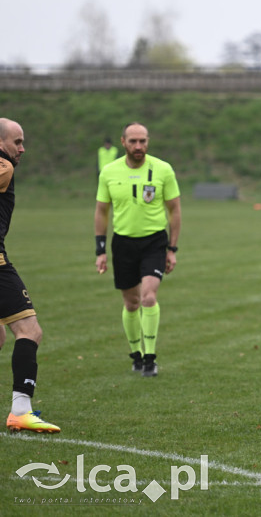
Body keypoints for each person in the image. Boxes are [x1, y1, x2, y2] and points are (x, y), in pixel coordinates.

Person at [95, 122, 182, 377]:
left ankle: (150, 358)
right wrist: (100, 250)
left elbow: (174, 210)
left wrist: (172, 248)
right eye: (133, 141)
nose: (138, 146)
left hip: (154, 242)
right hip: (123, 244)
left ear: (148, 142)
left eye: (142, 141)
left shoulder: (163, 169)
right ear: (123, 142)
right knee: (131, 303)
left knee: (148, 297)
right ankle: (136, 354)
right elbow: (101, 212)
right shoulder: (109, 172)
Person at [1, 119, 60, 433]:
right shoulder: (4, 166)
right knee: (29, 330)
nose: (22, 149)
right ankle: (21, 411)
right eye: (17, 142)